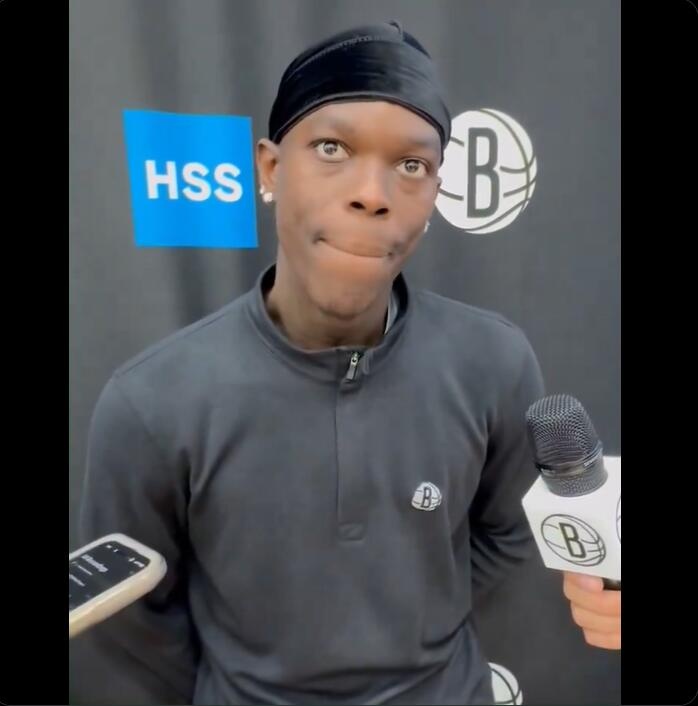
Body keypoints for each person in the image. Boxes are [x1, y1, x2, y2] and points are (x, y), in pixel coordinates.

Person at [78, 20, 619, 706]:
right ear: (270, 168)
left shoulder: (495, 361)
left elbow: (507, 535)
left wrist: (415, 634)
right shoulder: (150, 400)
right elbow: (136, 625)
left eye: (412, 165)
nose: (372, 193)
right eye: (332, 148)